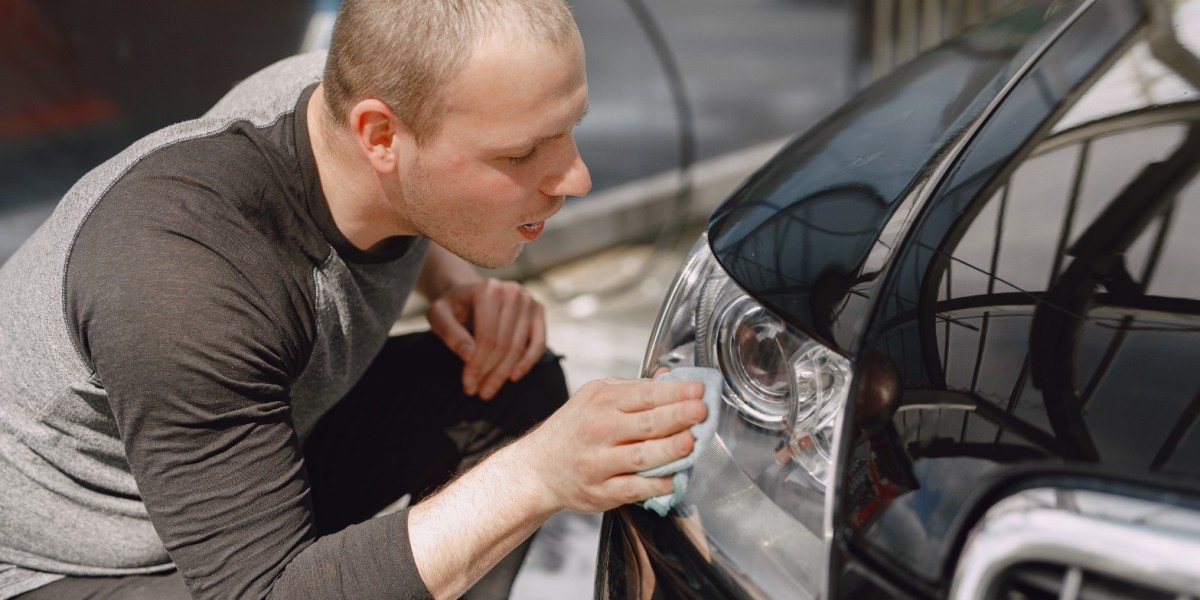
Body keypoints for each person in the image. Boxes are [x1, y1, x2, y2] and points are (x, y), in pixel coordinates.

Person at [0, 1, 708, 598]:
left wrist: (456, 282)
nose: (576, 179)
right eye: (520, 154)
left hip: (235, 460)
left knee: (512, 392)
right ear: (380, 136)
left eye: (570, 128)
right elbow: (265, 592)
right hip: (70, 564)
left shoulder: (338, 97)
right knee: (529, 461)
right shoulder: (180, 281)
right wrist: (540, 475)